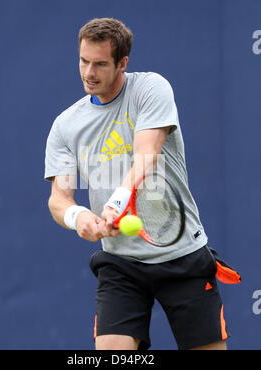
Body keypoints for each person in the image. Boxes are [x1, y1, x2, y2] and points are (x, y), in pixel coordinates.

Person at [44, 18, 240, 350]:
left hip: (181, 253)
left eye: (100, 64)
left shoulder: (151, 89)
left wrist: (117, 202)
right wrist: (80, 218)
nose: (89, 72)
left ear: (122, 63)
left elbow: (146, 157)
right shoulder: (66, 126)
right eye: (83, 61)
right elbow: (58, 199)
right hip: (121, 263)